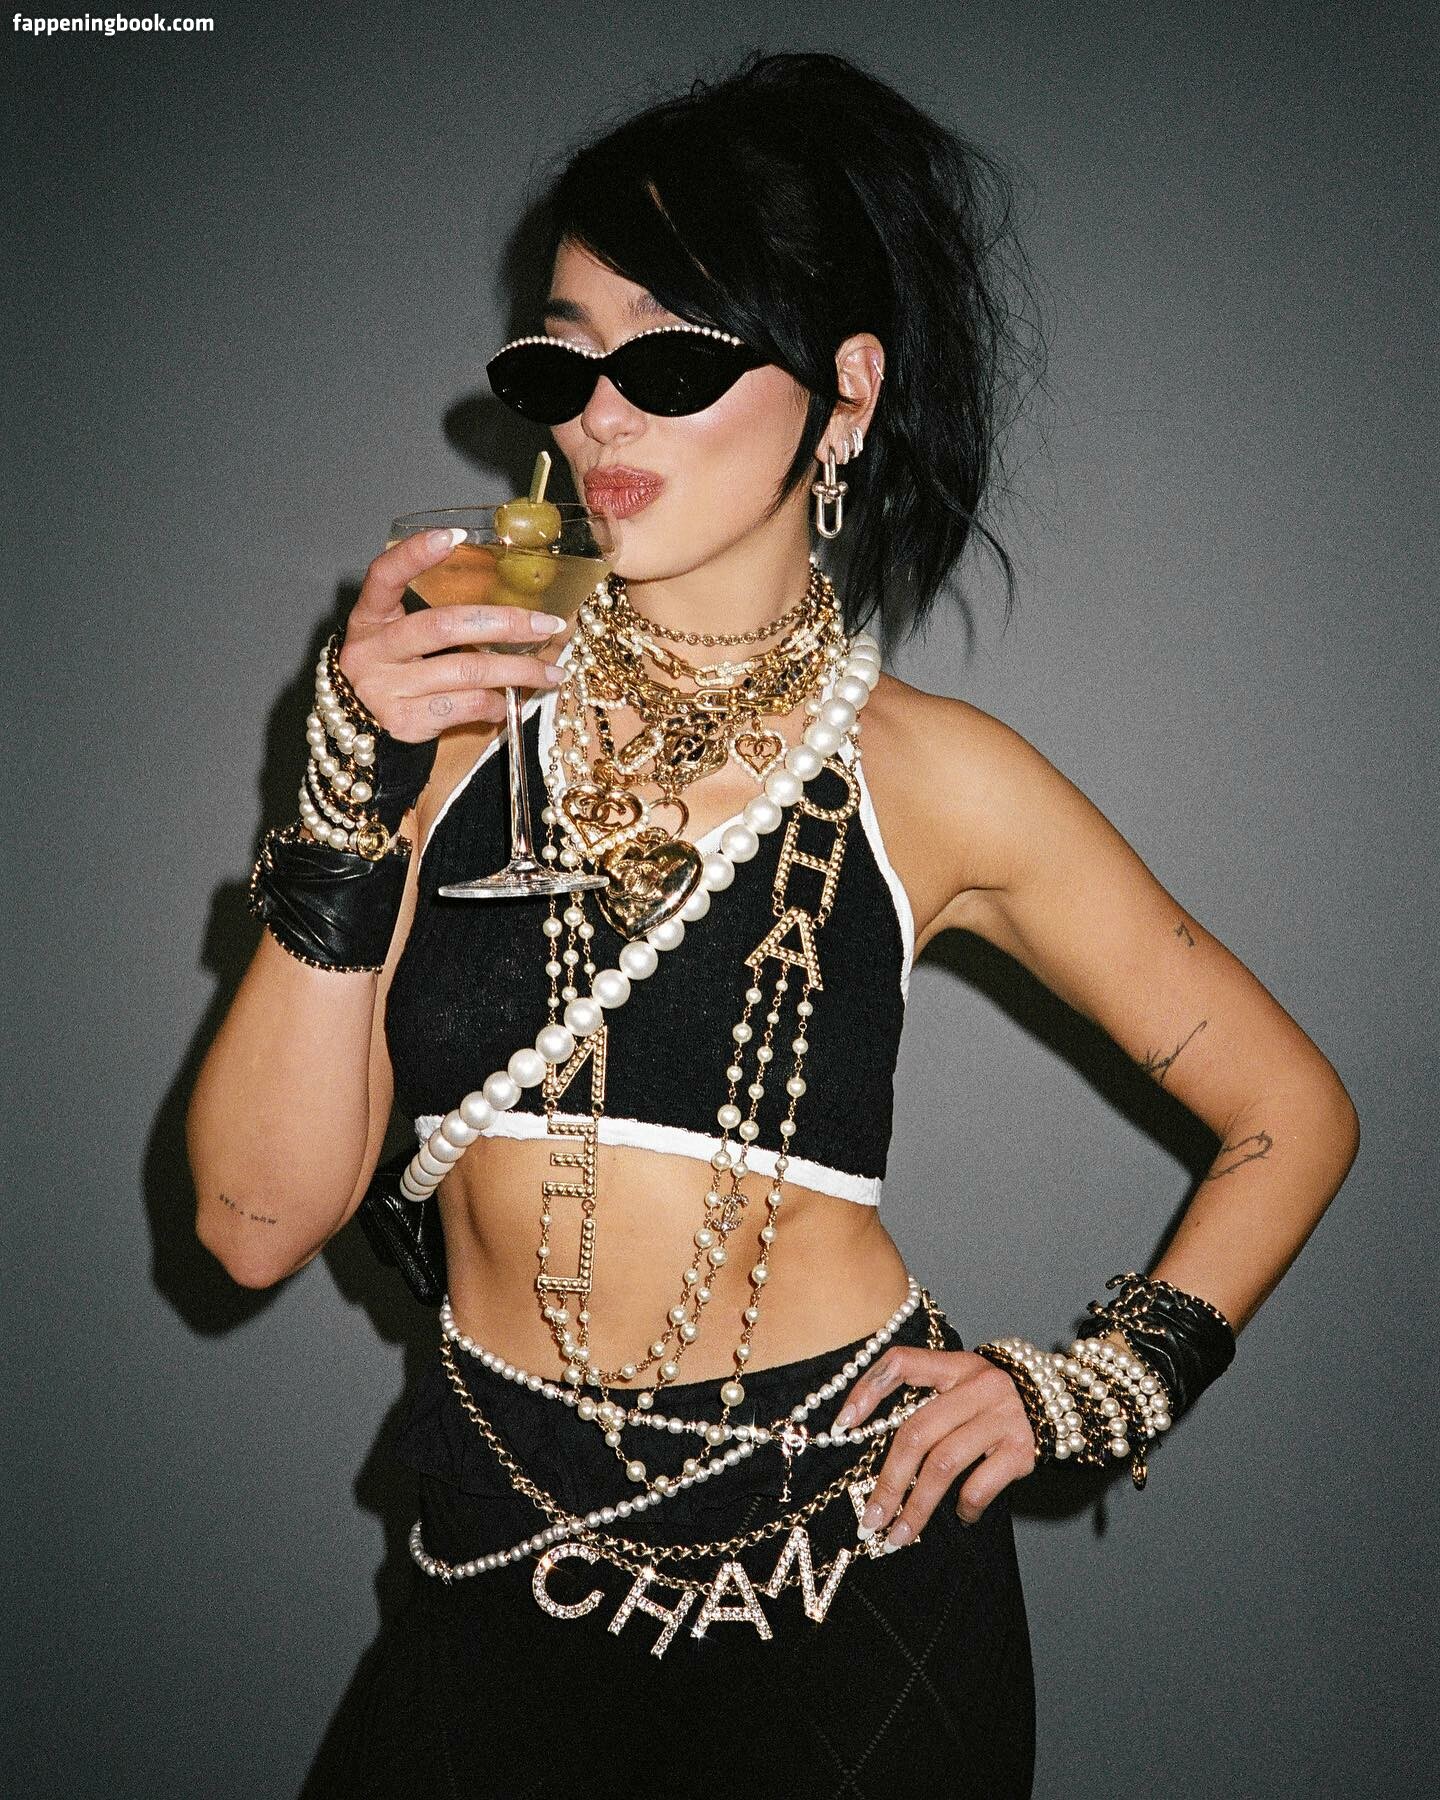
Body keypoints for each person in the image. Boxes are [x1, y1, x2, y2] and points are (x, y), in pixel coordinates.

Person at [186, 50, 1360, 1800]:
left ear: (846, 391)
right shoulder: (451, 702)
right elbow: (250, 1226)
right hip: (499, 1537)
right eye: (561, 361)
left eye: (668, 359)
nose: (600, 415)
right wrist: (345, 794)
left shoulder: (936, 778)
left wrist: (1093, 1388)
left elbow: (1291, 1111)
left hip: (853, 1589)